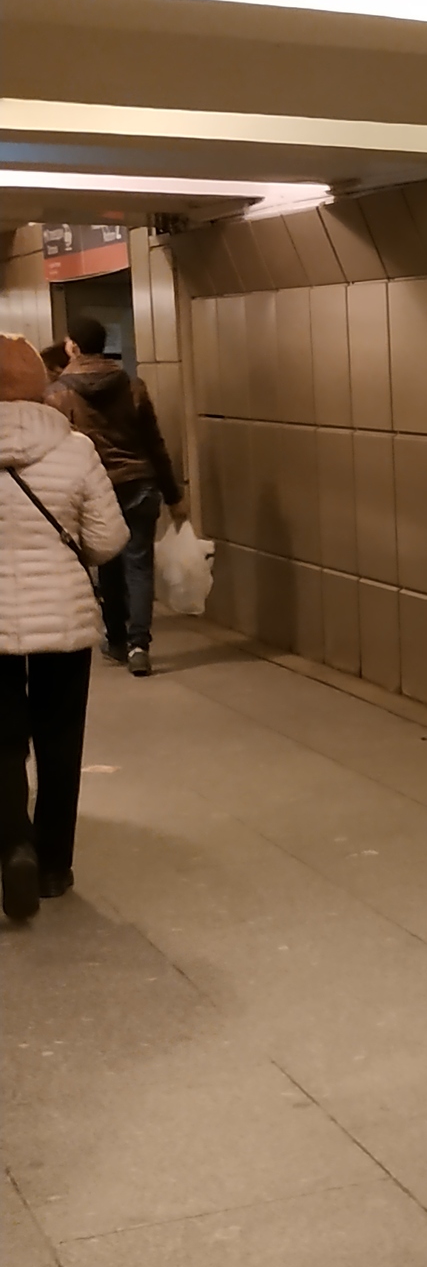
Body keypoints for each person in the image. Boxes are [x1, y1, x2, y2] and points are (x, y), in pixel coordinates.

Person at [0, 336, 129, 921]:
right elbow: (107, 540)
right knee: (58, 742)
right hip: (66, 621)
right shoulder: (75, 450)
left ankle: (11, 847)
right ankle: (53, 863)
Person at [47, 316, 186, 675]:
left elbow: (56, 447)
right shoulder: (133, 386)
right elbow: (154, 444)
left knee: (106, 561)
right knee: (139, 565)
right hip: (140, 483)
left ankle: (118, 640)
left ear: (73, 346)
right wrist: (174, 495)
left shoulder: (58, 393)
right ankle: (140, 645)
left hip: (96, 488)